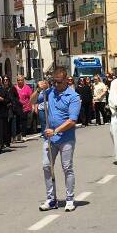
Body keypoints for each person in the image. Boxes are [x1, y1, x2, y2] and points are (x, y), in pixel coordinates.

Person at [33, 69, 80, 212]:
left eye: (59, 82)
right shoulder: (50, 92)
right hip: (50, 138)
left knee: (67, 168)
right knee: (47, 166)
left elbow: (72, 121)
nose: (56, 84)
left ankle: (70, 199)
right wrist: (38, 89)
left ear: (66, 80)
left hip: (66, 138)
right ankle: (51, 199)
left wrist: (55, 131)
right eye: (54, 81)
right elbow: (32, 101)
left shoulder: (73, 96)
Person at [14, 74, 33, 142]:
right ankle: (18, 134)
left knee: (24, 121)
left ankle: (24, 135)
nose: (20, 81)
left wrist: (31, 106)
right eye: (18, 80)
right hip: (17, 107)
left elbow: (31, 97)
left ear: (23, 81)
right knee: (17, 121)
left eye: (21, 80)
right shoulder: (15, 88)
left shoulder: (27, 88)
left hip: (25, 107)